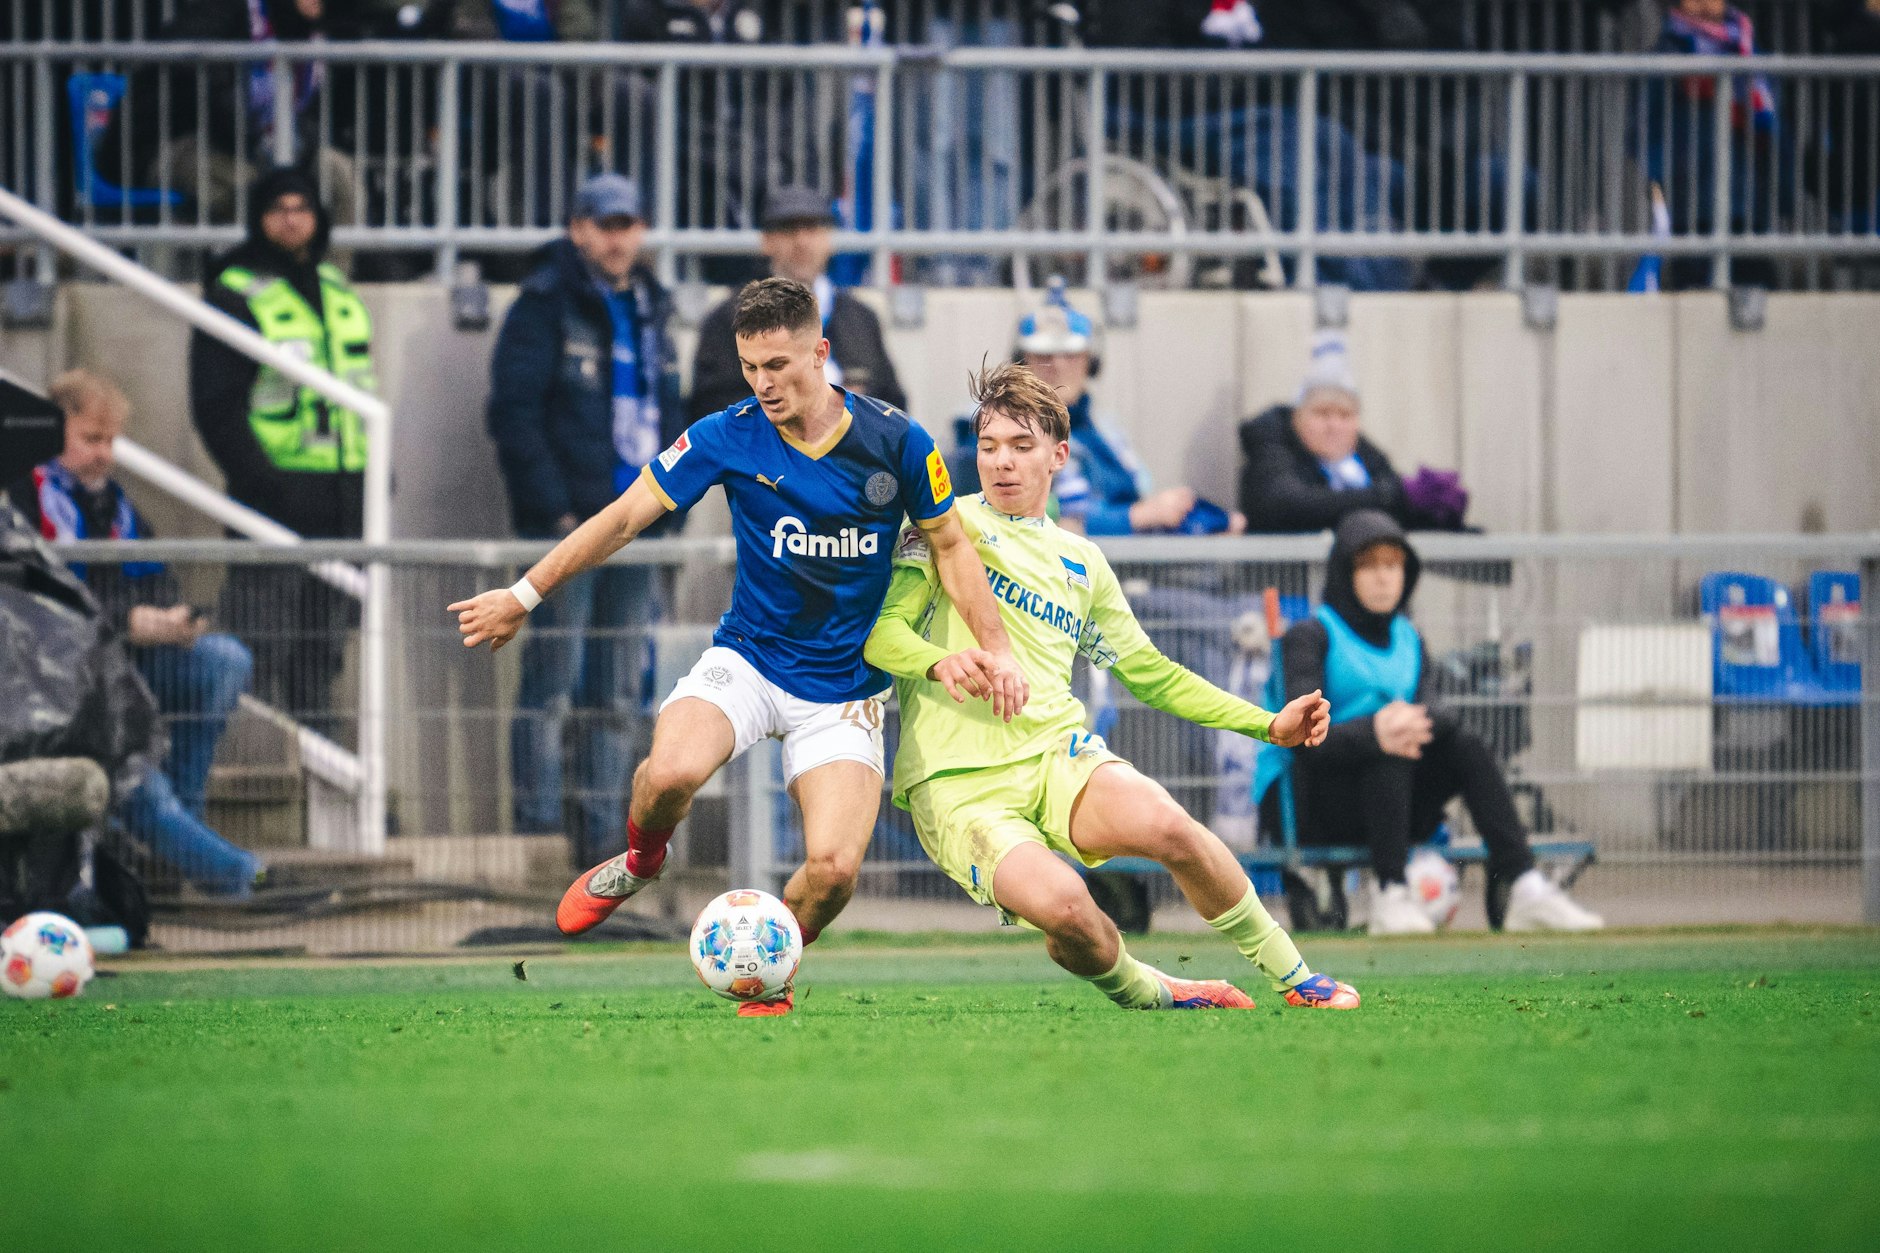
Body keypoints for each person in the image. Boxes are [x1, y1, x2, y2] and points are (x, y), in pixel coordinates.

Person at [451, 277, 1029, 1015]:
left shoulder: (896, 441)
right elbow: (625, 516)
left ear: (821, 353)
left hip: (845, 690)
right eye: (750, 366)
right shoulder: (727, 433)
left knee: (833, 871)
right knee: (667, 775)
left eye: (779, 366)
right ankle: (639, 862)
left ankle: (770, 967)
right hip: (748, 659)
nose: (763, 383)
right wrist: (522, 594)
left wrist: (998, 650)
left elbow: (951, 548)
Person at [863, 361, 1358, 1012]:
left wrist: (1267, 722)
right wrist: (938, 662)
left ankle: (1294, 975)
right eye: (989, 447)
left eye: (1020, 446)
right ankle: (1155, 989)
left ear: (1058, 455)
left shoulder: (1082, 561)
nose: (1001, 463)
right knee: (1072, 915)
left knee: (1172, 827)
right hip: (961, 784)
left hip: (1056, 755)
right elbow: (882, 635)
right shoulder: (946, 528)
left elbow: (1151, 674)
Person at [1261, 510, 1602, 935]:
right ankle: (1390, 894)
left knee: (1464, 745)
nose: (1384, 577)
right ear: (1344, 572)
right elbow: (1297, 737)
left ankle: (1525, 885)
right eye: (1369, 565)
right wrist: (1374, 730)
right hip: (1312, 803)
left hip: (1394, 803)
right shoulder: (1311, 636)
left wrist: (1404, 723)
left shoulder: (1409, 637)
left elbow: (1439, 709)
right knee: (1388, 749)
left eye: (1393, 565)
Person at [486, 173, 685, 866]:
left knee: (617, 688)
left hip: (639, 530)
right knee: (553, 680)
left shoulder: (654, 305)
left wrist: (670, 510)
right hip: (569, 530)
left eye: (628, 223)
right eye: (605, 223)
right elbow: (513, 413)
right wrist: (557, 511)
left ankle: (603, 840)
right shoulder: (541, 304)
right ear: (578, 228)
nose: (617, 236)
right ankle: (539, 837)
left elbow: (674, 415)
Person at [3, 372, 264, 897]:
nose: (104, 454)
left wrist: (174, 620)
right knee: (137, 779)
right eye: (91, 439)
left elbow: (157, 577)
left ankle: (187, 835)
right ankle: (244, 878)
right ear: (54, 434)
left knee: (222, 659)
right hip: (63, 691)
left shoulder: (117, 505)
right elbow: (41, 608)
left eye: (111, 440)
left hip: (125, 667)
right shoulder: (22, 502)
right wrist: (125, 623)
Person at [191, 166, 372, 740]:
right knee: (261, 647)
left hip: (343, 499)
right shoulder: (235, 290)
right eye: (278, 207)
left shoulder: (337, 288)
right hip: (272, 499)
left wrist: (372, 479)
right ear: (257, 216)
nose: (291, 218)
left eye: (303, 206)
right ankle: (260, 763)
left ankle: (319, 779)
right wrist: (263, 484)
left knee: (323, 657)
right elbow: (216, 408)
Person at [102, 0, 359, 229]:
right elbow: (193, 77)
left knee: (337, 173)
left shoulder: (319, 34)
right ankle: (267, 278)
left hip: (257, 148)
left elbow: (311, 117)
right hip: (169, 144)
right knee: (261, 193)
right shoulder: (223, 9)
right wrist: (254, 139)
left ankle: (326, 278)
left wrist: (298, 153)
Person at [689, 186, 908, 421]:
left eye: (812, 229)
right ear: (767, 241)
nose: (801, 241)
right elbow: (711, 408)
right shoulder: (730, 318)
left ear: (829, 239)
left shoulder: (861, 318)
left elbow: (893, 405)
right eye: (789, 230)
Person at [1238, 332, 1468, 535]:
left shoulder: (1367, 457)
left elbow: (1391, 511)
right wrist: (1396, 497)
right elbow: (1287, 505)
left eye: (1345, 415)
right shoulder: (1271, 449)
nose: (1334, 425)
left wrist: (1433, 510)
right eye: (1322, 413)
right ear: (1296, 417)